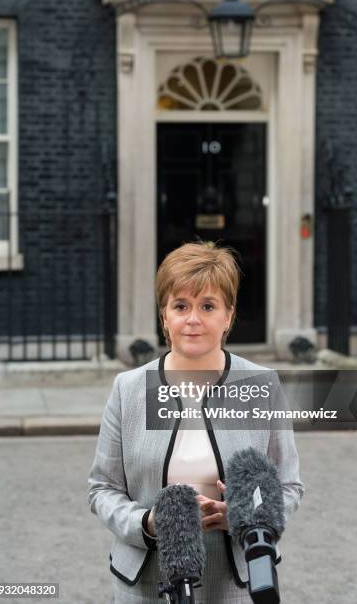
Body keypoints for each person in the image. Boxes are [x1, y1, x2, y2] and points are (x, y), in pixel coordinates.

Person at [88, 241, 304, 603]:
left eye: (207, 306)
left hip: (234, 582)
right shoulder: (129, 389)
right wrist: (147, 524)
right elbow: (102, 489)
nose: (192, 319)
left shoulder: (261, 386)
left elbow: (288, 486)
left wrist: (243, 515)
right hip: (146, 582)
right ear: (164, 317)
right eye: (181, 306)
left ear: (228, 316)